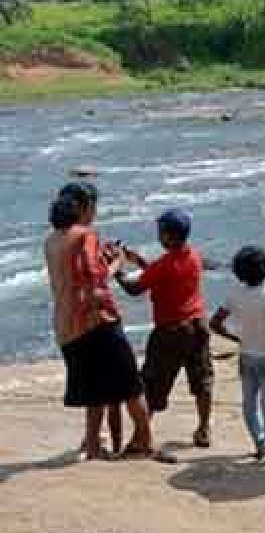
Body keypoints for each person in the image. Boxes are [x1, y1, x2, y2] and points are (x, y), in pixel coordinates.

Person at [43, 182, 157, 460]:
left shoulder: (52, 240)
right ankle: (145, 440)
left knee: (94, 392)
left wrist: (103, 258)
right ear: (83, 208)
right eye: (94, 207)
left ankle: (93, 445)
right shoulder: (85, 235)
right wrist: (117, 261)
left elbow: (76, 274)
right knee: (131, 385)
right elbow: (96, 279)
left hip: (66, 325)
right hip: (96, 321)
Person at [115, 208, 214, 448]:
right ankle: (203, 428)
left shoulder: (163, 265)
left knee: (153, 382)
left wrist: (115, 268)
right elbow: (161, 272)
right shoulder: (193, 257)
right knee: (202, 378)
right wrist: (136, 259)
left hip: (171, 329)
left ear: (168, 236)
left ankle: (141, 437)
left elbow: (135, 288)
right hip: (198, 323)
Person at [210, 246, 265, 463]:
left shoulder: (234, 296)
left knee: (249, 404)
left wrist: (235, 337)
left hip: (247, 353)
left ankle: (259, 442)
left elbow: (215, 323)